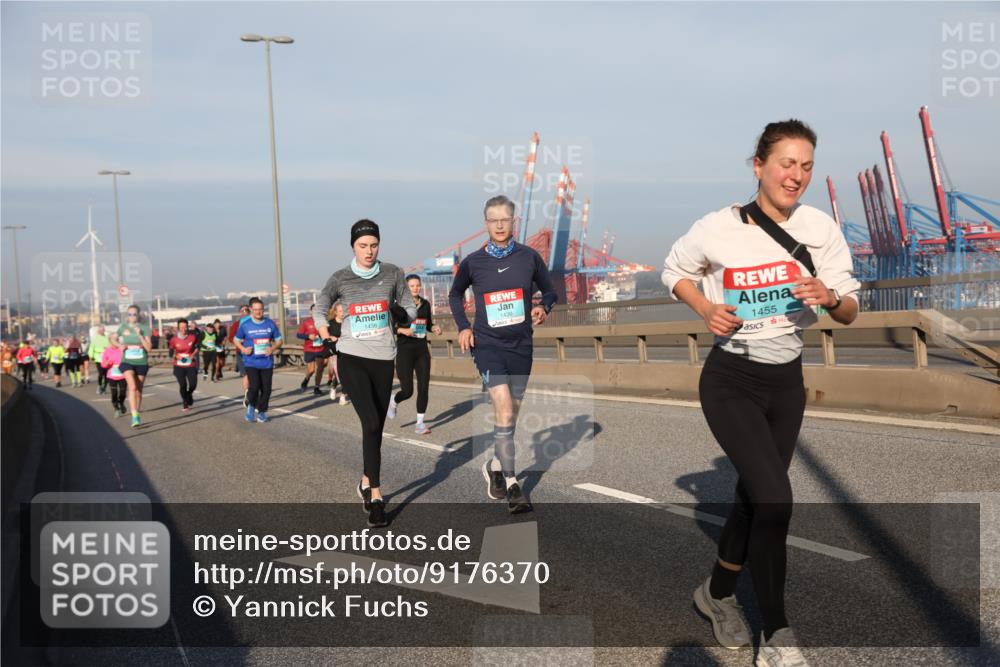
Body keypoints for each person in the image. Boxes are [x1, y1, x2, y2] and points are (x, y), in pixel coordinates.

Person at [662, 119, 860, 666]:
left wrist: (827, 295)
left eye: (806, 166)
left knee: (755, 500)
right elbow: (674, 271)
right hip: (731, 378)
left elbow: (848, 312)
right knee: (775, 497)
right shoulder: (718, 227)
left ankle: (716, 595)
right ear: (759, 165)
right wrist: (706, 309)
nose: (796, 176)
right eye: (786, 163)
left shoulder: (821, 229)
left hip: (786, 381)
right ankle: (777, 635)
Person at [449, 195, 558, 514]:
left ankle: (495, 464)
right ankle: (512, 484)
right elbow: (455, 293)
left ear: (514, 222)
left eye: (504, 219)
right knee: (505, 406)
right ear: (486, 223)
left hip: (522, 347)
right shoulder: (473, 262)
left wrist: (543, 307)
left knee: (510, 418)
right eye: (493, 219)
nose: (499, 224)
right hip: (487, 346)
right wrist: (462, 327)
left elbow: (550, 290)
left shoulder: (530, 257)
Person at [314, 219, 417, 528]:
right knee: (371, 421)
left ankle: (364, 479)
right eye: (363, 246)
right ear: (353, 247)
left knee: (375, 429)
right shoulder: (340, 278)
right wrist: (325, 334)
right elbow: (320, 308)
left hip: (384, 357)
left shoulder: (393, 273)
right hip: (352, 357)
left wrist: (401, 312)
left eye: (373, 245)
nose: (369, 251)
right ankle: (375, 496)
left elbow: (411, 310)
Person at [388, 274, 442, 435]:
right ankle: (394, 400)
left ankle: (420, 423)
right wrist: (403, 330)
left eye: (418, 285)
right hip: (405, 350)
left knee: (424, 387)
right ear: (405, 287)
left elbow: (428, 324)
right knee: (408, 391)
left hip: (421, 350)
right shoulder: (397, 306)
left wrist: (435, 328)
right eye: (412, 285)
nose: (416, 288)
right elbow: (390, 327)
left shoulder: (425, 304)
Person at [234, 297, 282, 423]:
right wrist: (243, 349)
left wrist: (273, 348)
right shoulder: (246, 325)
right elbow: (236, 339)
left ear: (263, 310)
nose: (258, 312)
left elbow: (279, 340)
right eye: (255, 310)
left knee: (266, 389)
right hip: (251, 362)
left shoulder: (270, 323)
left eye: (260, 309)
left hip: (266, 362)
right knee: (254, 387)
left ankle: (261, 412)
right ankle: (251, 406)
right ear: (251, 310)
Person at [110, 304, 153, 428]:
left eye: (134, 314)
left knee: (139, 390)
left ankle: (137, 413)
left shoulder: (145, 328)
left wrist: (140, 335)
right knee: (132, 386)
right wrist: (119, 345)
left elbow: (149, 348)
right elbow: (112, 339)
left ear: (138, 315)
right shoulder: (123, 327)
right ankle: (134, 415)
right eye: (129, 314)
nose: (132, 316)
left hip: (141, 362)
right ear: (127, 316)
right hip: (127, 361)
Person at [168, 318, 199, 412]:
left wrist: (192, 355)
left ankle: (189, 394)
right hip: (178, 365)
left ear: (187, 327)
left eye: (185, 327)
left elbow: (197, 348)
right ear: (178, 328)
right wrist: (177, 356)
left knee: (193, 384)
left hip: (191, 364)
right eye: (181, 327)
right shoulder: (173, 339)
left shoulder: (193, 337)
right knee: (183, 385)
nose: (184, 329)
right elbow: (170, 353)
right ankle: (185, 402)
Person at [297, 304, 327, 396]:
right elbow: (298, 335)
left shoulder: (323, 321)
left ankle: (317, 388)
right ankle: (306, 380)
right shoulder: (306, 322)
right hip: (309, 349)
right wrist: (308, 336)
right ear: (310, 312)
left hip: (321, 348)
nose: (315, 312)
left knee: (320, 368)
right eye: (313, 310)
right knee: (311, 370)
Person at [230, 304, 252, 406]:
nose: (245, 312)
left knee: (255, 375)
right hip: (241, 352)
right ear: (240, 313)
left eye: (247, 310)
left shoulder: (255, 323)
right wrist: (240, 340)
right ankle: (247, 394)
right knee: (246, 375)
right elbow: (231, 338)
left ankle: (255, 392)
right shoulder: (236, 325)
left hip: (253, 353)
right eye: (242, 310)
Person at [100, 344, 128, 417]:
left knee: (123, 393)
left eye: (117, 340)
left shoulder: (123, 349)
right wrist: (107, 363)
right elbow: (103, 364)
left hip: (123, 375)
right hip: (112, 375)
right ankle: (116, 408)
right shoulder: (107, 351)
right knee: (114, 393)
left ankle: (121, 403)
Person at [89, 325, 111, 394]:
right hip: (98, 358)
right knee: (101, 374)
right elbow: (92, 347)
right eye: (101, 330)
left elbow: (111, 346)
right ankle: (99, 386)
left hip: (107, 358)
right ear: (98, 331)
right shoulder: (95, 338)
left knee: (107, 374)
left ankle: (104, 387)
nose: (102, 331)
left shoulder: (107, 337)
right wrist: (91, 356)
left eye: (103, 330)